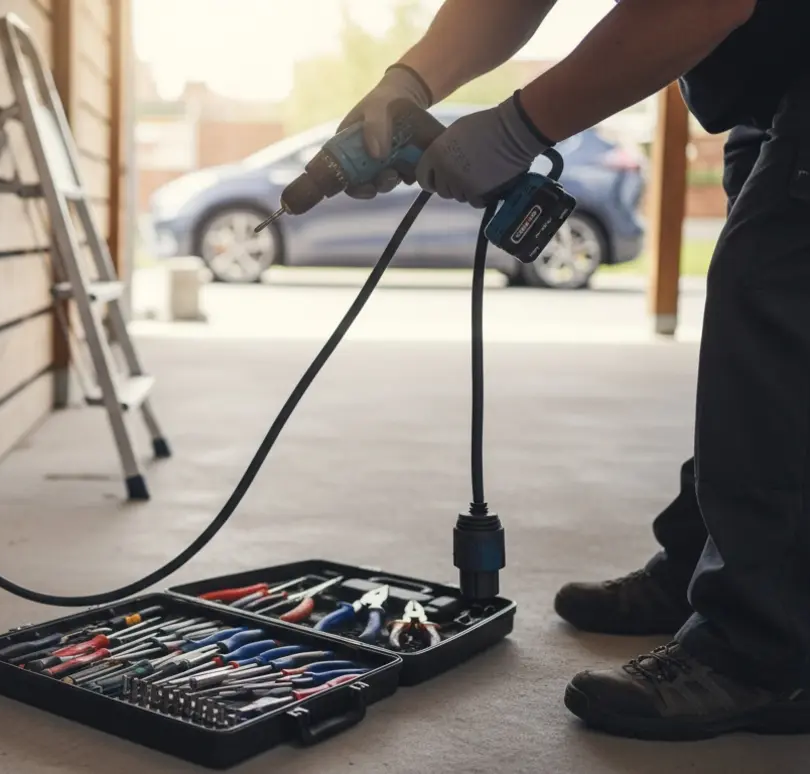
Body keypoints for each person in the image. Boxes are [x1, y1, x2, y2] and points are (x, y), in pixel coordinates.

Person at [343, 0, 810, 740]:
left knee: (771, 297)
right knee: (773, 340)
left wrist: (513, 129)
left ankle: (765, 649)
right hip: (781, 75)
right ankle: (713, 564)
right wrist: (409, 80)